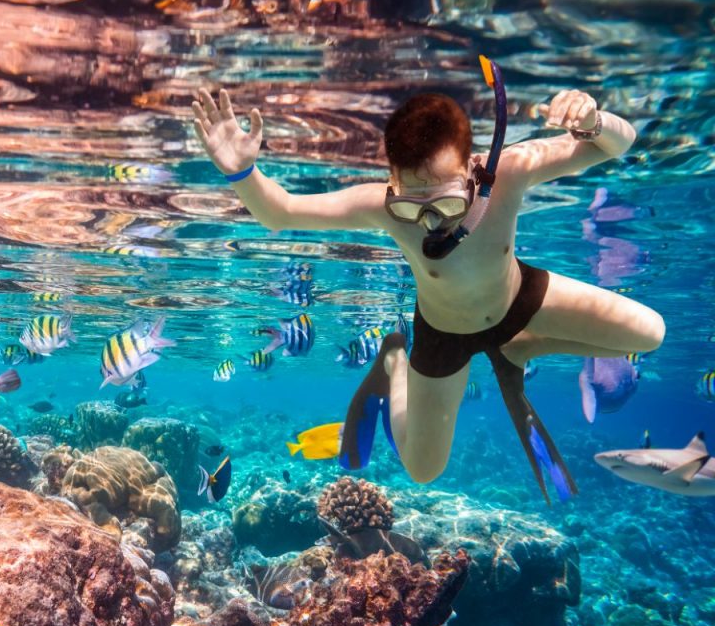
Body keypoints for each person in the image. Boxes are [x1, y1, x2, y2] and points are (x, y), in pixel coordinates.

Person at [191, 63, 664, 502]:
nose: (431, 224)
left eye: (446, 204)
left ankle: (523, 345)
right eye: (411, 208)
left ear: (472, 171)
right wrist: (242, 171)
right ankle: (395, 360)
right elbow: (281, 211)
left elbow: (618, 145)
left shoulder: (511, 171)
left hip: (520, 300)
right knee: (423, 469)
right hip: (443, 334)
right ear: (392, 180)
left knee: (650, 333)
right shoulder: (380, 204)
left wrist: (593, 120)